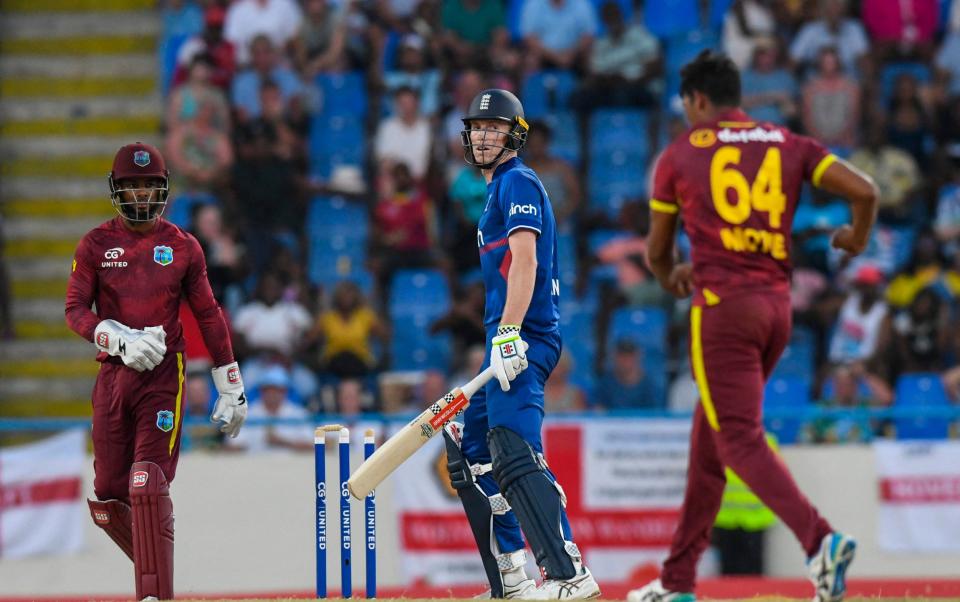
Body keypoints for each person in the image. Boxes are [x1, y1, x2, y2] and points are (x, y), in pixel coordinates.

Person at [630, 51, 879, 602]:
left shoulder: (678, 155)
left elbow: (655, 252)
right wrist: (857, 239)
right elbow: (865, 191)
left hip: (722, 309)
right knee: (709, 442)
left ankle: (821, 541)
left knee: (736, 438)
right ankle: (677, 583)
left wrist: (672, 274)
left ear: (696, 100)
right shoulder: (788, 143)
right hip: (776, 310)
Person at [64, 142, 248, 601]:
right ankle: (159, 570)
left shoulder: (183, 246)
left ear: (162, 190)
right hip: (113, 375)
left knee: (146, 479)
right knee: (108, 499)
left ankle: (155, 595)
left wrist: (230, 383)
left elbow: (208, 314)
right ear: (116, 190)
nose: (142, 196)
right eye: (132, 186)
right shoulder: (95, 244)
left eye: (149, 187)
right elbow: (73, 310)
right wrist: (115, 337)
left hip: (165, 374)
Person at [443, 89, 600, 600]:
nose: (484, 135)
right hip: (503, 339)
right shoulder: (493, 192)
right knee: (469, 452)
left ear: (515, 135)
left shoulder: (518, 180)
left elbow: (526, 262)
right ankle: (511, 576)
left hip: (524, 337)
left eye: (495, 127)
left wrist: (510, 333)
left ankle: (568, 573)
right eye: (478, 127)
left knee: (515, 451)